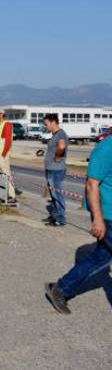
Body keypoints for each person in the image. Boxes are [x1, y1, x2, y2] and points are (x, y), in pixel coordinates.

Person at [45, 137, 112, 314]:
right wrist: (97, 219)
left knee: (101, 257)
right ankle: (60, 288)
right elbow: (91, 184)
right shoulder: (106, 148)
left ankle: (60, 288)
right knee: (101, 256)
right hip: (108, 215)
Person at [43, 113, 69, 226]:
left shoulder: (60, 134)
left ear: (53, 122)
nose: (45, 126)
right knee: (53, 195)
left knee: (57, 194)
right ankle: (54, 215)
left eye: (46, 124)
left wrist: (57, 156)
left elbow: (62, 146)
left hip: (56, 170)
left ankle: (60, 218)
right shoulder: (55, 135)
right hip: (51, 168)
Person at [0, 109, 16, 204]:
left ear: (2, 114)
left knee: (6, 174)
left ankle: (12, 195)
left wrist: (3, 154)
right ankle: (1, 194)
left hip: (2, 155)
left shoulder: (7, 124)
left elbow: (8, 141)